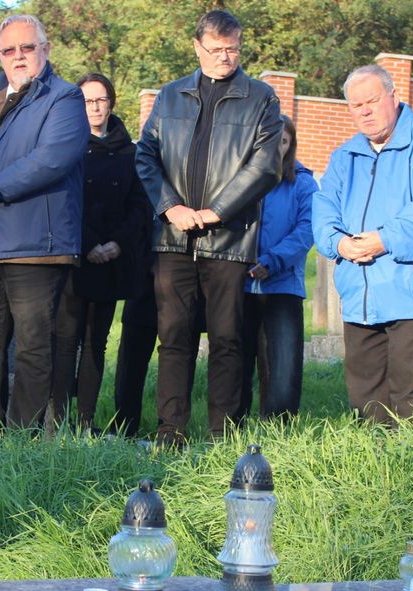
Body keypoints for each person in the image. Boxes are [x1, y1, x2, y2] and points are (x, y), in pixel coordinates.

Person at [135, 9, 283, 447]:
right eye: (216, 49)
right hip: (173, 238)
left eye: (233, 49)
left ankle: (224, 436)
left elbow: (266, 166)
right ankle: (171, 433)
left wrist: (218, 210)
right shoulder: (170, 95)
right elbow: (145, 156)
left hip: (230, 239)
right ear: (197, 47)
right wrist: (170, 207)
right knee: (174, 337)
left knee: (227, 338)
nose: (225, 57)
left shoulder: (262, 97)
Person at [0, 14, 88, 431]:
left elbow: (50, 160)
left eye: (27, 47)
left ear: (45, 49)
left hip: (34, 244)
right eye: (9, 50)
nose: (18, 56)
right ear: (0, 56)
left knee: (32, 348)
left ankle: (21, 442)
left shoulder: (64, 98)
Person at [312, 64, 413, 426]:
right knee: (367, 409)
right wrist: (338, 244)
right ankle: (374, 479)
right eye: (355, 105)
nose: (364, 110)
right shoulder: (343, 157)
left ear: (394, 97)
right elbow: (322, 209)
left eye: (371, 100)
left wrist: (383, 240)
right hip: (361, 298)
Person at [49, 72, 151, 433]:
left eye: (100, 100)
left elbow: (140, 206)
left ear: (111, 103)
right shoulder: (65, 145)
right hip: (75, 256)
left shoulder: (131, 152)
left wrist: (116, 244)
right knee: (65, 341)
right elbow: (63, 200)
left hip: (112, 259)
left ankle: (85, 421)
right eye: (87, 101)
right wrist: (89, 242)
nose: (94, 107)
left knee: (96, 341)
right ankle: (55, 424)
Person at [236, 115, 317, 421]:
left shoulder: (304, 183)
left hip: (283, 285)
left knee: (283, 363)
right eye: (272, 140)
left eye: (284, 141)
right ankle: (233, 426)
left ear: (290, 145)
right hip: (241, 283)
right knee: (237, 362)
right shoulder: (242, 180)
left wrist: (272, 261)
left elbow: (306, 230)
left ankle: (279, 429)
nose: (277, 147)